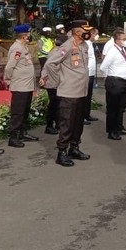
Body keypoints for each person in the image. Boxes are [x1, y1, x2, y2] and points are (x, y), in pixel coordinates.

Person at [40, 20, 93, 167]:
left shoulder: (83, 45)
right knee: (67, 124)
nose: (87, 32)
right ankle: (61, 152)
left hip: (81, 91)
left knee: (77, 123)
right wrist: (58, 81)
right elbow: (51, 64)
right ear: (77, 31)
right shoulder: (67, 46)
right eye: (85, 30)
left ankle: (74, 148)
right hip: (69, 92)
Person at [4, 24, 38, 148]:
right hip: (20, 86)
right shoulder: (17, 49)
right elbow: (9, 67)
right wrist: (8, 80)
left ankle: (22, 133)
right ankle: (13, 137)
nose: (30, 35)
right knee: (18, 112)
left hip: (27, 86)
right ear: (24, 36)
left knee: (25, 111)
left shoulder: (24, 47)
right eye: (28, 33)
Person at [99, 29, 126, 141]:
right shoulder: (113, 51)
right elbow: (103, 67)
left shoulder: (122, 50)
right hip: (115, 82)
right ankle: (112, 131)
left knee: (121, 107)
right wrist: (110, 78)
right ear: (117, 40)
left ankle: (119, 127)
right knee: (113, 108)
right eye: (124, 39)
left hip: (123, 82)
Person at [41, 34, 68, 135]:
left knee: (58, 105)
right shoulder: (57, 52)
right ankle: (49, 126)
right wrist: (44, 77)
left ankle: (57, 124)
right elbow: (48, 66)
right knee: (54, 105)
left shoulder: (57, 51)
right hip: (53, 82)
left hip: (55, 81)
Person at [84, 28, 99, 124]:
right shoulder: (86, 44)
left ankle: (87, 114)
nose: (98, 36)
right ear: (92, 34)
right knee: (85, 96)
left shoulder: (91, 44)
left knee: (89, 96)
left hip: (91, 73)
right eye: (96, 34)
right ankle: (82, 116)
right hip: (87, 73)